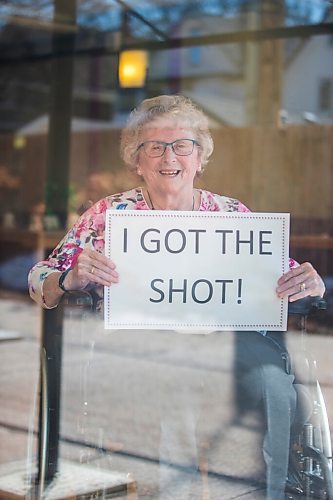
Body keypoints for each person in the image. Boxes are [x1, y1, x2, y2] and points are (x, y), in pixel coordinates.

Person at [28, 95, 325, 499]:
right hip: (145, 349)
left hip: (226, 348)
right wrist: (69, 278)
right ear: (137, 160)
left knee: (275, 385)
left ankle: (269, 492)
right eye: (155, 146)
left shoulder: (232, 214)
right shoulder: (108, 215)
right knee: (173, 392)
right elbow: (40, 276)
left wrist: (309, 281)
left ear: (200, 158)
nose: (169, 156)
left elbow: (284, 275)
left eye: (182, 145)